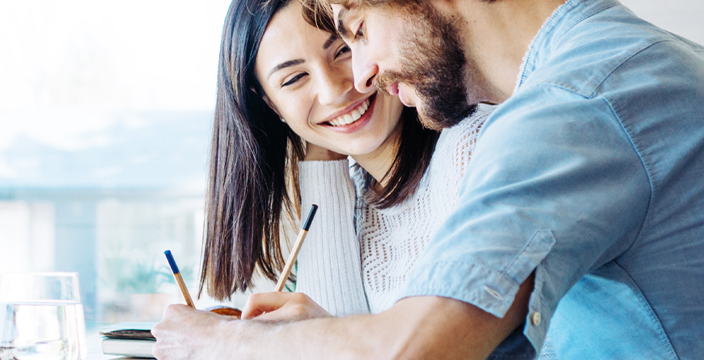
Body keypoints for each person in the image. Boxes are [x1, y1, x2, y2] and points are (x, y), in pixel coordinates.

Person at [154, 0, 704, 358]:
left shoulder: (572, 104)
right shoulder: (629, 63)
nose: (361, 75)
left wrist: (227, 342)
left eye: (356, 30)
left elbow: (414, 352)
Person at [197, 0, 493, 320]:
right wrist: (322, 162)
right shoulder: (351, 195)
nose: (334, 92)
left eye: (343, 50)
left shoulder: (471, 148)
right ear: (270, 105)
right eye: (295, 78)